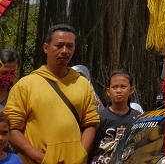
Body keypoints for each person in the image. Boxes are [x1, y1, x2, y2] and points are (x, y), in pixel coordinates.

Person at [3, 24, 99, 164]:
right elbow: (12, 128)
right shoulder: (26, 85)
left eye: (69, 46)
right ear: (46, 47)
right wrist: (41, 158)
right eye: (59, 45)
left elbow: (90, 123)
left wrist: (81, 154)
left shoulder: (82, 84)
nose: (65, 51)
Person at [90, 71, 141, 164]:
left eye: (123, 87)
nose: (118, 91)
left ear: (131, 90)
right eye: (114, 87)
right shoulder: (100, 117)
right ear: (108, 92)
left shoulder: (138, 118)